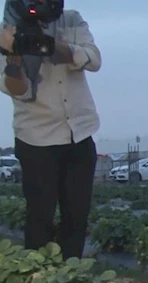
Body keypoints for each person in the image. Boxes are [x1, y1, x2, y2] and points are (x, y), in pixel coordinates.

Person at [0, 3, 101, 260]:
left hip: (79, 132)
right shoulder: (7, 34)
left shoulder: (71, 20)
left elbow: (94, 59)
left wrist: (50, 45)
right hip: (36, 139)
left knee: (77, 216)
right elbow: (19, 90)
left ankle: (71, 275)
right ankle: (38, 279)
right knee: (40, 216)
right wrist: (13, 57)